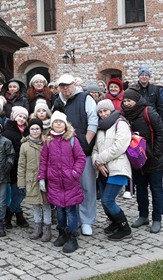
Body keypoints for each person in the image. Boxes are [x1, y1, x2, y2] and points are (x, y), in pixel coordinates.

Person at [52, 73, 98, 236]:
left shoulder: (85, 98)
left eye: (68, 85)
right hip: (64, 154)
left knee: (86, 186)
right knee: (70, 187)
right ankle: (74, 220)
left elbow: (93, 122)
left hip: (82, 152)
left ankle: (86, 220)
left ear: (74, 84)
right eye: (62, 86)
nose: (65, 88)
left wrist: (84, 143)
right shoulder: (57, 102)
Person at [121, 86, 163, 234]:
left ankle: (157, 218)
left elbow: (160, 132)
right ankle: (143, 215)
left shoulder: (148, 112)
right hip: (136, 160)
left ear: (136, 100)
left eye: (129, 100)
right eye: (125, 100)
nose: (127, 103)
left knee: (156, 189)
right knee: (140, 189)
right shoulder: (125, 115)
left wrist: (156, 153)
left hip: (153, 159)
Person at [38, 111, 86, 254]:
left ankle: (72, 236)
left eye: (60, 122)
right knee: (59, 210)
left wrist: (75, 173)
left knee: (70, 210)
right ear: (52, 124)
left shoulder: (72, 140)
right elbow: (44, 161)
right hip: (54, 181)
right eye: (55, 122)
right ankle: (62, 233)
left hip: (69, 181)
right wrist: (42, 177)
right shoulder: (48, 141)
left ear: (65, 124)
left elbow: (80, 158)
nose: (58, 124)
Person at [92, 99, 132, 241]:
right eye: (100, 112)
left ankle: (125, 228)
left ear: (111, 110)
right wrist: (97, 163)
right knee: (104, 200)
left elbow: (119, 146)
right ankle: (114, 222)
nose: (103, 114)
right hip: (103, 170)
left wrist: (99, 160)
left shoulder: (120, 124)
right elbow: (95, 149)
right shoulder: (101, 128)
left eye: (105, 111)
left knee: (108, 200)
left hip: (117, 168)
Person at [17, 118, 51, 242]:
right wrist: (21, 182)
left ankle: (47, 227)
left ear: (41, 130)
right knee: (35, 204)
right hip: (31, 179)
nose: (35, 131)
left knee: (46, 204)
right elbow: (21, 165)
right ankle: (38, 226)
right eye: (32, 128)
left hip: (45, 178)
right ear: (29, 130)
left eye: (37, 128)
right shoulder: (24, 146)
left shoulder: (46, 143)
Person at [2, 106, 30, 230]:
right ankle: (13, 215)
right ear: (14, 117)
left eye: (24, 117)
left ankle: (14, 214)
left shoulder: (27, 131)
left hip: (25, 166)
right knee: (18, 192)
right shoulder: (8, 131)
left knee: (20, 192)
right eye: (20, 116)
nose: (22, 119)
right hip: (13, 167)